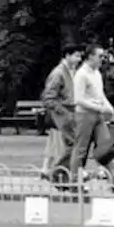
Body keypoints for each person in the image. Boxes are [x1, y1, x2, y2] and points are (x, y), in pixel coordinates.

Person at [69, 44, 114, 187]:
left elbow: (100, 95)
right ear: (90, 57)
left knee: (105, 148)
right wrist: (99, 107)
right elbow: (78, 100)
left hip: (97, 116)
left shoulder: (97, 73)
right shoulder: (81, 74)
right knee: (81, 149)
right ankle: (75, 181)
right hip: (84, 115)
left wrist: (108, 107)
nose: (102, 59)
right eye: (100, 56)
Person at [39, 45, 81, 183]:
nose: (79, 59)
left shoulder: (71, 71)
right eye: (76, 56)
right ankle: (60, 174)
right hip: (63, 113)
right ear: (67, 56)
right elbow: (48, 97)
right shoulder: (58, 73)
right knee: (75, 144)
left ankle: (62, 175)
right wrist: (63, 112)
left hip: (70, 112)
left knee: (72, 145)